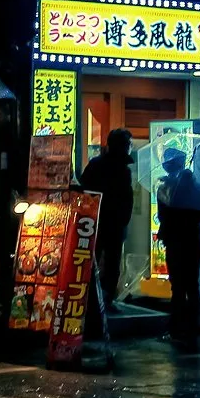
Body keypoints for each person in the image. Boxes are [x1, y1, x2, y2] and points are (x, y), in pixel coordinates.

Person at [156, 148, 200, 352]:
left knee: (177, 286)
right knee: (192, 284)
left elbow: (163, 216)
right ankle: (193, 325)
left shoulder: (165, 187)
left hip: (175, 242)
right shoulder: (197, 187)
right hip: (193, 241)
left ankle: (176, 326)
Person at [77, 128, 135, 310]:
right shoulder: (122, 170)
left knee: (91, 260)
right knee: (110, 264)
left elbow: (83, 188)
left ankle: (89, 300)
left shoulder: (97, 164)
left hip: (95, 221)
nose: (128, 147)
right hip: (110, 223)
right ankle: (104, 300)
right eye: (127, 144)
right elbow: (127, 198)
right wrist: (124, 219)